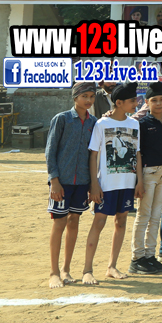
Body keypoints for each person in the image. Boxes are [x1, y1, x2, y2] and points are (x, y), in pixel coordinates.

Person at [82, 81, 143, 285]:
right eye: (132, 100)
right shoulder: (102, 124)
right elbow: (93, 156)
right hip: (106, 185)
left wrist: (139, 181)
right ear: (119, 102)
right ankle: (87, 269)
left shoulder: (134, 124)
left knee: (121, 222)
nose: (136, 103)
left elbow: (137, 154)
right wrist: (94, 184)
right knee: (99, 223)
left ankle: (112, 266)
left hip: (127, 183)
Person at [45, 81, 98, 288]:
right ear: (75, 97)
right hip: (62, 182)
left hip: (82, 182)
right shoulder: (62, 119)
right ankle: (54, 272)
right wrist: (54, 180)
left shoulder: (94, 122)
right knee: (59, 223)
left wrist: (92, 183)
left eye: (92, 96)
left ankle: (66, 269)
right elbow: (50, 151)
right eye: (84, 96)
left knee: (74, 221)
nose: (88, 100)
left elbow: (93, 154)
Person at [127, 82, 162, 275]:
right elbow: (137, 154)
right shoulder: (142, 124)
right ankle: (137, 258)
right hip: (148, 173)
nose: (159, 103)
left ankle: (149, 256)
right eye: (154, 100)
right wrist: (138, 181)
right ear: (146, 102)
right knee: (143, 216)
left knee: (156, 216)